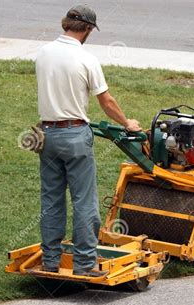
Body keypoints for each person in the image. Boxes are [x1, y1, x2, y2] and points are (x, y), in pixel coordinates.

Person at [35, 4, 141, 277]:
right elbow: (106, 101)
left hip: (46, 135)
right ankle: (84, 264)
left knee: (51, 200)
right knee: (84, 202)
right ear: (89, 29)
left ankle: (50, 260)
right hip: (75, 136)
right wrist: (127, 123)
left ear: (65, 24)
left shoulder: (43, 53)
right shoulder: (86, 59)